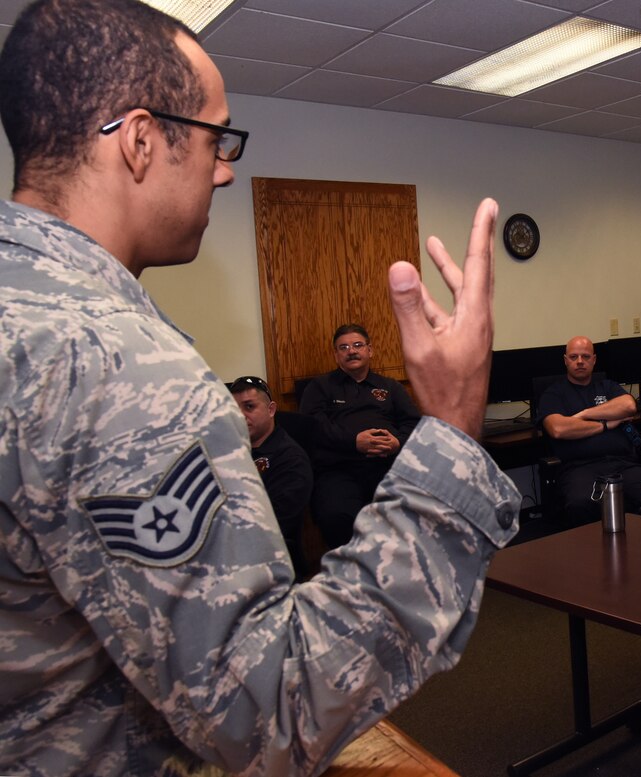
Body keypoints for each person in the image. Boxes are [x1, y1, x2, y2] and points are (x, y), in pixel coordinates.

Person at [0, 2, 518, 774]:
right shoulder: (116, 364)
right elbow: (268, 709)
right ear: (141, 141)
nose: (226, 166)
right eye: (216, 137)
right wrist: (451, 425)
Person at [299, 324, 421, 549]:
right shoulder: (320, 387)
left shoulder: (390, 387)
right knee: (336, 516)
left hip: (387, 467)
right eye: (343, 347)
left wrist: (398, 443)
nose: (351, 351)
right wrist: (354, 442)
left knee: (413, 511)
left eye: (357, 345)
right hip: (338, 470)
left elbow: (413, 422)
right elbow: (313, 427)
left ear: (370, 350)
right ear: (336, 355)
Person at [536, 336, 641, 525]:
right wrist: (606, 423)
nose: (580, 362)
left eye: (585, 356)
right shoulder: (554, 394)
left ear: (594, 359)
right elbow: (558, 429)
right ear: (565, 360)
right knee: (581, 504)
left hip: (623, 463)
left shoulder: (608, 387)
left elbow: (628, 406)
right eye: (574, 357)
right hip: (579, 468)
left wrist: (583, 414)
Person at [230, 375, 313, 577]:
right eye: (234, 409)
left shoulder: (290, 459)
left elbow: (277, 523)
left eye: (249, 407)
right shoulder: (229, 451)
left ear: (271, 410)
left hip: (269, 563)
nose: (240, 415)